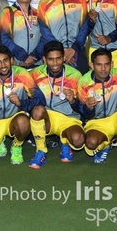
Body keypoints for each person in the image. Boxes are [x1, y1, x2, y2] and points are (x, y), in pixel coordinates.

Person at [78, 48, 117, 177]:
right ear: (91, 65)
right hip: (97, 122)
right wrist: (88, 108)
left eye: (106, 64)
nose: (103, 69)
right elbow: (83, 113)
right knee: (90, 146)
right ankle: (107, 144)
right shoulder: (84, 82)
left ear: (112, 64)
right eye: (99, 65)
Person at [0, 45, 42, 166]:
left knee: (23, 122)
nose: (3, 65)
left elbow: (40, 99)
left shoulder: (21, 74)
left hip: (14, 118)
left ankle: (17, 145)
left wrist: (21, 103)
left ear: (11, 60)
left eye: (5, 60)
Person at [28, 41, 84, 169]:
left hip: (68, 118)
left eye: (58, 58)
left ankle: (64, 140)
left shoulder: (75, 75)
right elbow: (14, 75)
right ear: (44, 59)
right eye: (51, 59)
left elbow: (82, 108)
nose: (55, 63)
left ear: (64, 57)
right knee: (37, 110)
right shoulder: (34, 74)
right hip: (46, 117)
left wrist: (73, 101)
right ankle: (41, 151)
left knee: (78, 141)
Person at [36, 0, 93, 68]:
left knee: (80, 78)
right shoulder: (44, 3)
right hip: (55, 54)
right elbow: (45, 32)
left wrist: (74, 48)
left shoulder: (80, 0)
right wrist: (61, 50)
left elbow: (84, 27)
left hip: (77, 51)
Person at [0, 0, 41, 68]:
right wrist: (24, 57)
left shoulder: (37, 13)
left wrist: (34, 56)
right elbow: (4, 38)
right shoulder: (8, 12)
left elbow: (45, 38)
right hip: (17, 63)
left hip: (36, 63)